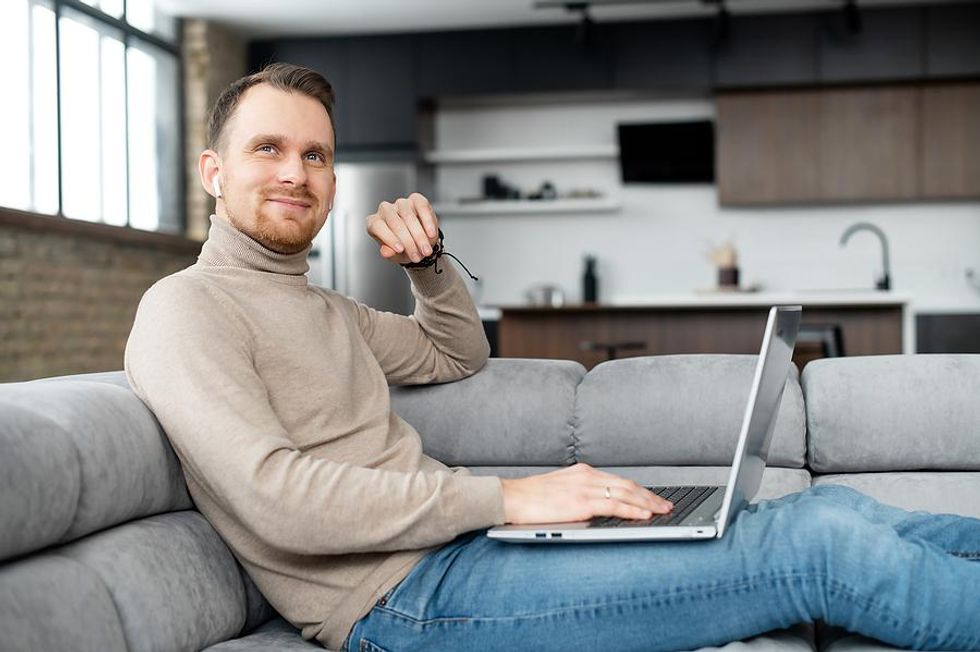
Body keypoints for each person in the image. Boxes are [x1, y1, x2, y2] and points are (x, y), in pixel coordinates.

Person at [124, 63, 980, 652]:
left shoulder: (323, 310)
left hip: (468, 550)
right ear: (213, 170)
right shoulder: (185, 311)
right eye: (267, 149)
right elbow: (280, 500)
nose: (296, 172)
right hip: (403, 606)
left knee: (840, 516)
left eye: (315, 155)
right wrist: (510, 493)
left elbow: (457, 351)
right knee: (823, 546)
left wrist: (427, 265)